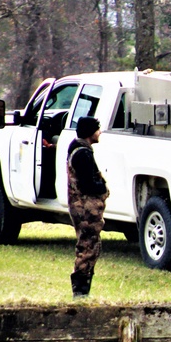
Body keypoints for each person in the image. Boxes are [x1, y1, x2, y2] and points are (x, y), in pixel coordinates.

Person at [67, 116, 109, 297]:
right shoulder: (83, 154)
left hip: (82, 209)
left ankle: (83, 290)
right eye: (97, 129)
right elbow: (87, 184)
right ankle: (81, 292)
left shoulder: (78, 149)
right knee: (87, 248)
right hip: (86, 210)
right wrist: (102, 187)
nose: (99, 133)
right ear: (90, 132)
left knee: (90, 245)